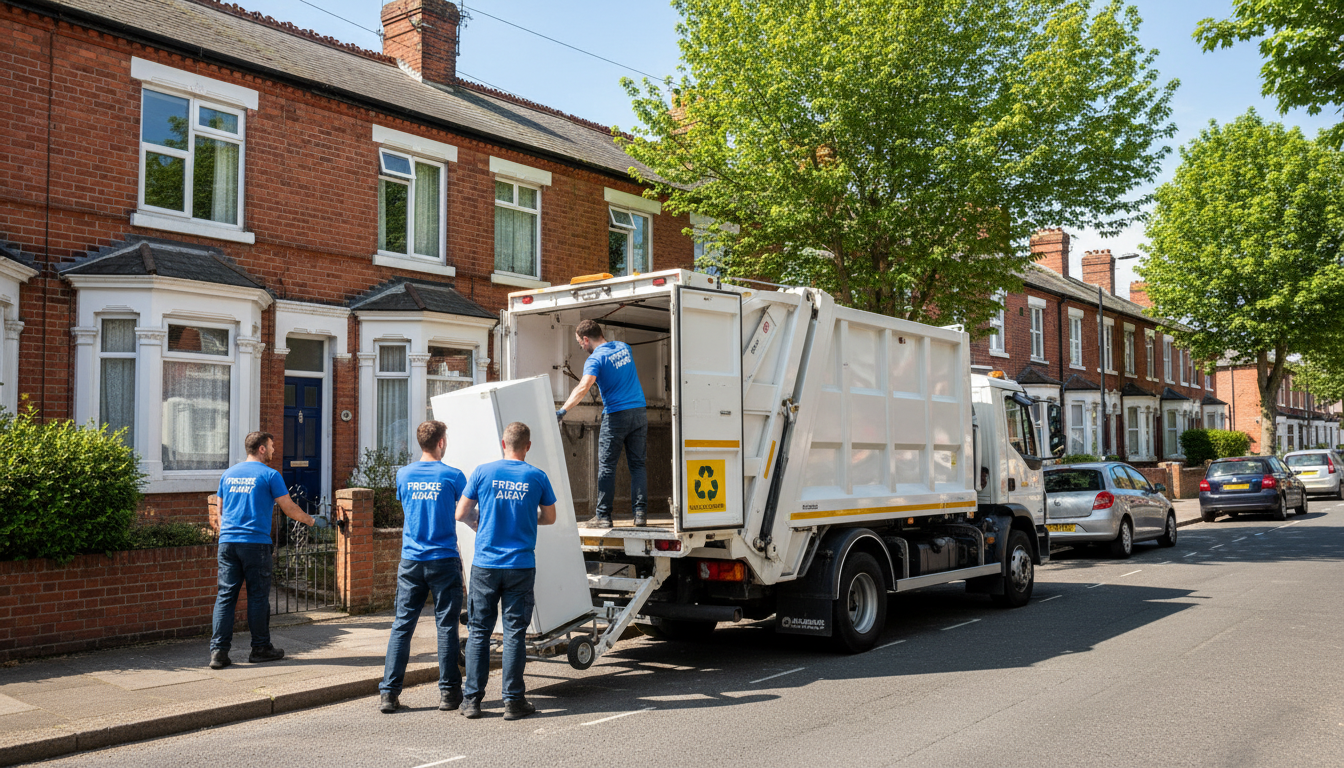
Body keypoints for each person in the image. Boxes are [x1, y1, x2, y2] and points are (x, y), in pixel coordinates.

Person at [455, 422, 557, 721]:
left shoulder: (483, 472)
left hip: (486, 564)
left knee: (479, 633)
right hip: (520, 566)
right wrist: (525, 516)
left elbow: (461, 513)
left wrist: (479, 521)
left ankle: (472, 701)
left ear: (503, 443)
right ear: (527, 446)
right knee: (514, 634)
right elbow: (549, 518)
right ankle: (513, 702)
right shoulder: (536, 476)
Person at [378, 420, 469, 714]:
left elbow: (409, 507)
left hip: (411, 560)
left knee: (402, 627)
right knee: (446, 627)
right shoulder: (453, 476)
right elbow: (466, 513)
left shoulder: (403, 475)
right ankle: (448, 694)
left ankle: (389, 694)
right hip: (442, 559)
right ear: (441, 442)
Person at [210, 430, 317, 670]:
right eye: (271, 446)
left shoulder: (228, 474)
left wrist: (226, 531)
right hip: (255, 544)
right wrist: (311, 521)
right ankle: (260, 648)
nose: (274, 450)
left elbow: (219, 511)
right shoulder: (270, 475)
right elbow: (288, 507)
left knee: (226, 597)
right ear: (261, 448)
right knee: (258, 597)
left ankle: (218, 652)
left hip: (227, 543)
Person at [556, 318, 648, 527]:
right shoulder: (624, 348)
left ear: (586, 339)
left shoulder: (595, 359)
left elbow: (583, 387)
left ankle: (603, 516)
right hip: (639, 412)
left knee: (607, 467)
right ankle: (640, 514)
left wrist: (563, 410)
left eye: (580, 342)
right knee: (638, 465)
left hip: (616, 415)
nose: (581, 346)